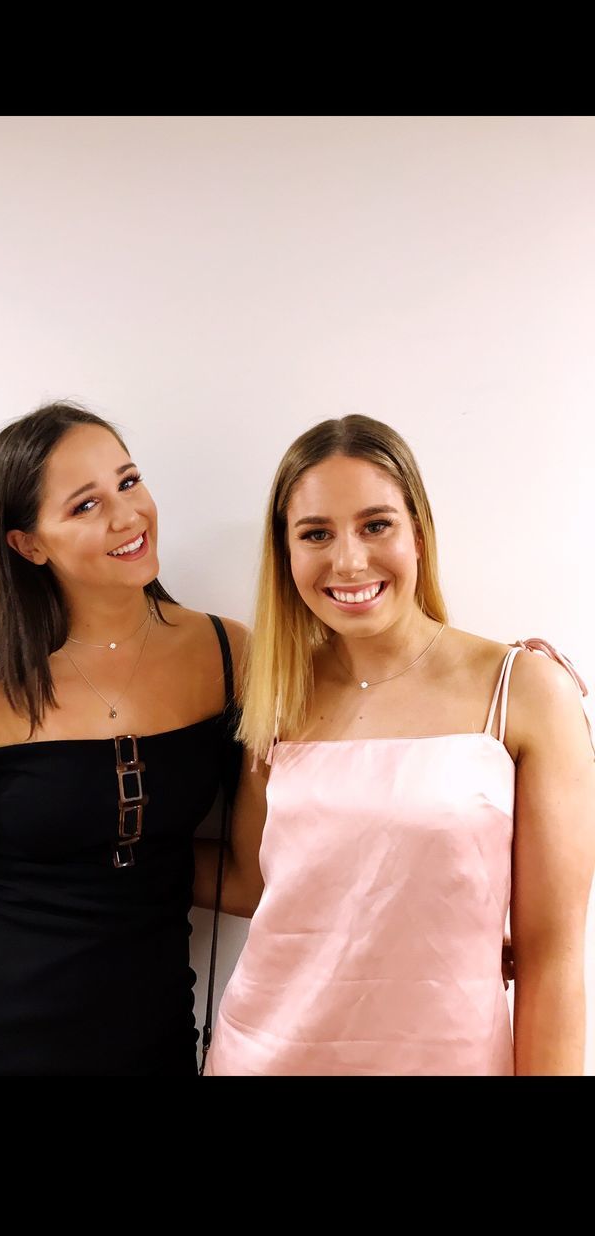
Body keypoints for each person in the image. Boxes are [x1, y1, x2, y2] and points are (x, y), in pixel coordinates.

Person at [201, 414, 595, 1076]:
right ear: (286, 552)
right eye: (316, 534)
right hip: (263, 1055)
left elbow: (550, 958)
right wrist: (82, 855)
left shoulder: (523, 690)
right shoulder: (276, 694)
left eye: (375, 524)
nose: (348, 560)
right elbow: (248, 881)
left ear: (418, 532)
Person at [0, 402, 244, 1077]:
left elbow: (332, 740)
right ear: (29, 544)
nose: (127, 515)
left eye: (128, 482)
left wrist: (487, 672)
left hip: (152, 1034)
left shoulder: (226, 654)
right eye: (84, 506)